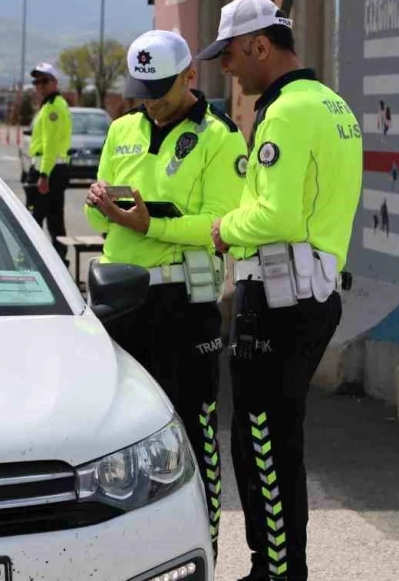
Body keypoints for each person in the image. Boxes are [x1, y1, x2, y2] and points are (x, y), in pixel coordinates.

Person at [199, 0, 361, 581]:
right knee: (277, 437)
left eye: (232, 55)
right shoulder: (332, 104)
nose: (227, 68)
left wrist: (221, 230)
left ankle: (275, 571)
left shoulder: (287, 111)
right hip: (311, 296)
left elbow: (275, 217)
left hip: (279, 300)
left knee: (260, 440)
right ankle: (282, 567)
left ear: (260, 45)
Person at [85, 30, 246, 559]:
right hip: (120, 302)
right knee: (110, 441)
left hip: (183, 304)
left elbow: (222, 225)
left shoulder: (221, 137)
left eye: (160, 87)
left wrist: (150, 223)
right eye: (141, 88)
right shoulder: (123, 129)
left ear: (191, 76)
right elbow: (96, 213)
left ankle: (207, 554)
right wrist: (100, 203)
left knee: (196, 434)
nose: (149, 99)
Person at [24, 62, 72, 259]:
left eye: (44, 81)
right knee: (54, 218)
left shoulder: (53, 108)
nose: (40, 85)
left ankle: (28, 259)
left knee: (32, 218)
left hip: (48, 169)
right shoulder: (51, 105)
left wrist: (43, 175)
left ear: (55, 82)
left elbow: (50, 143)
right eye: (36, 82)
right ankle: (59, 258)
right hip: (54, 168)